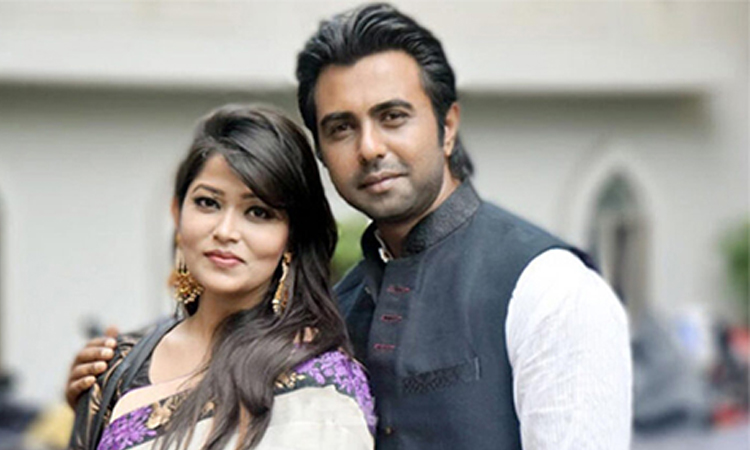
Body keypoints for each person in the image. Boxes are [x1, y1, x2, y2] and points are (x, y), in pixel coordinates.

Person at [67, 4, 632, 449]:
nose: (369, 147)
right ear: (321, 151)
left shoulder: (546, 289)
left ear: (447, 126)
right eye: (341, 128)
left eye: (393, 117)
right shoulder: (336, 310)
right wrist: (116, 386)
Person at [68, 104, 375, 450]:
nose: (226, 231)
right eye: (208, 203)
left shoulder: (318, 386)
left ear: (292, 236)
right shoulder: (120, 366)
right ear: (177, 212)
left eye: (258, 212)